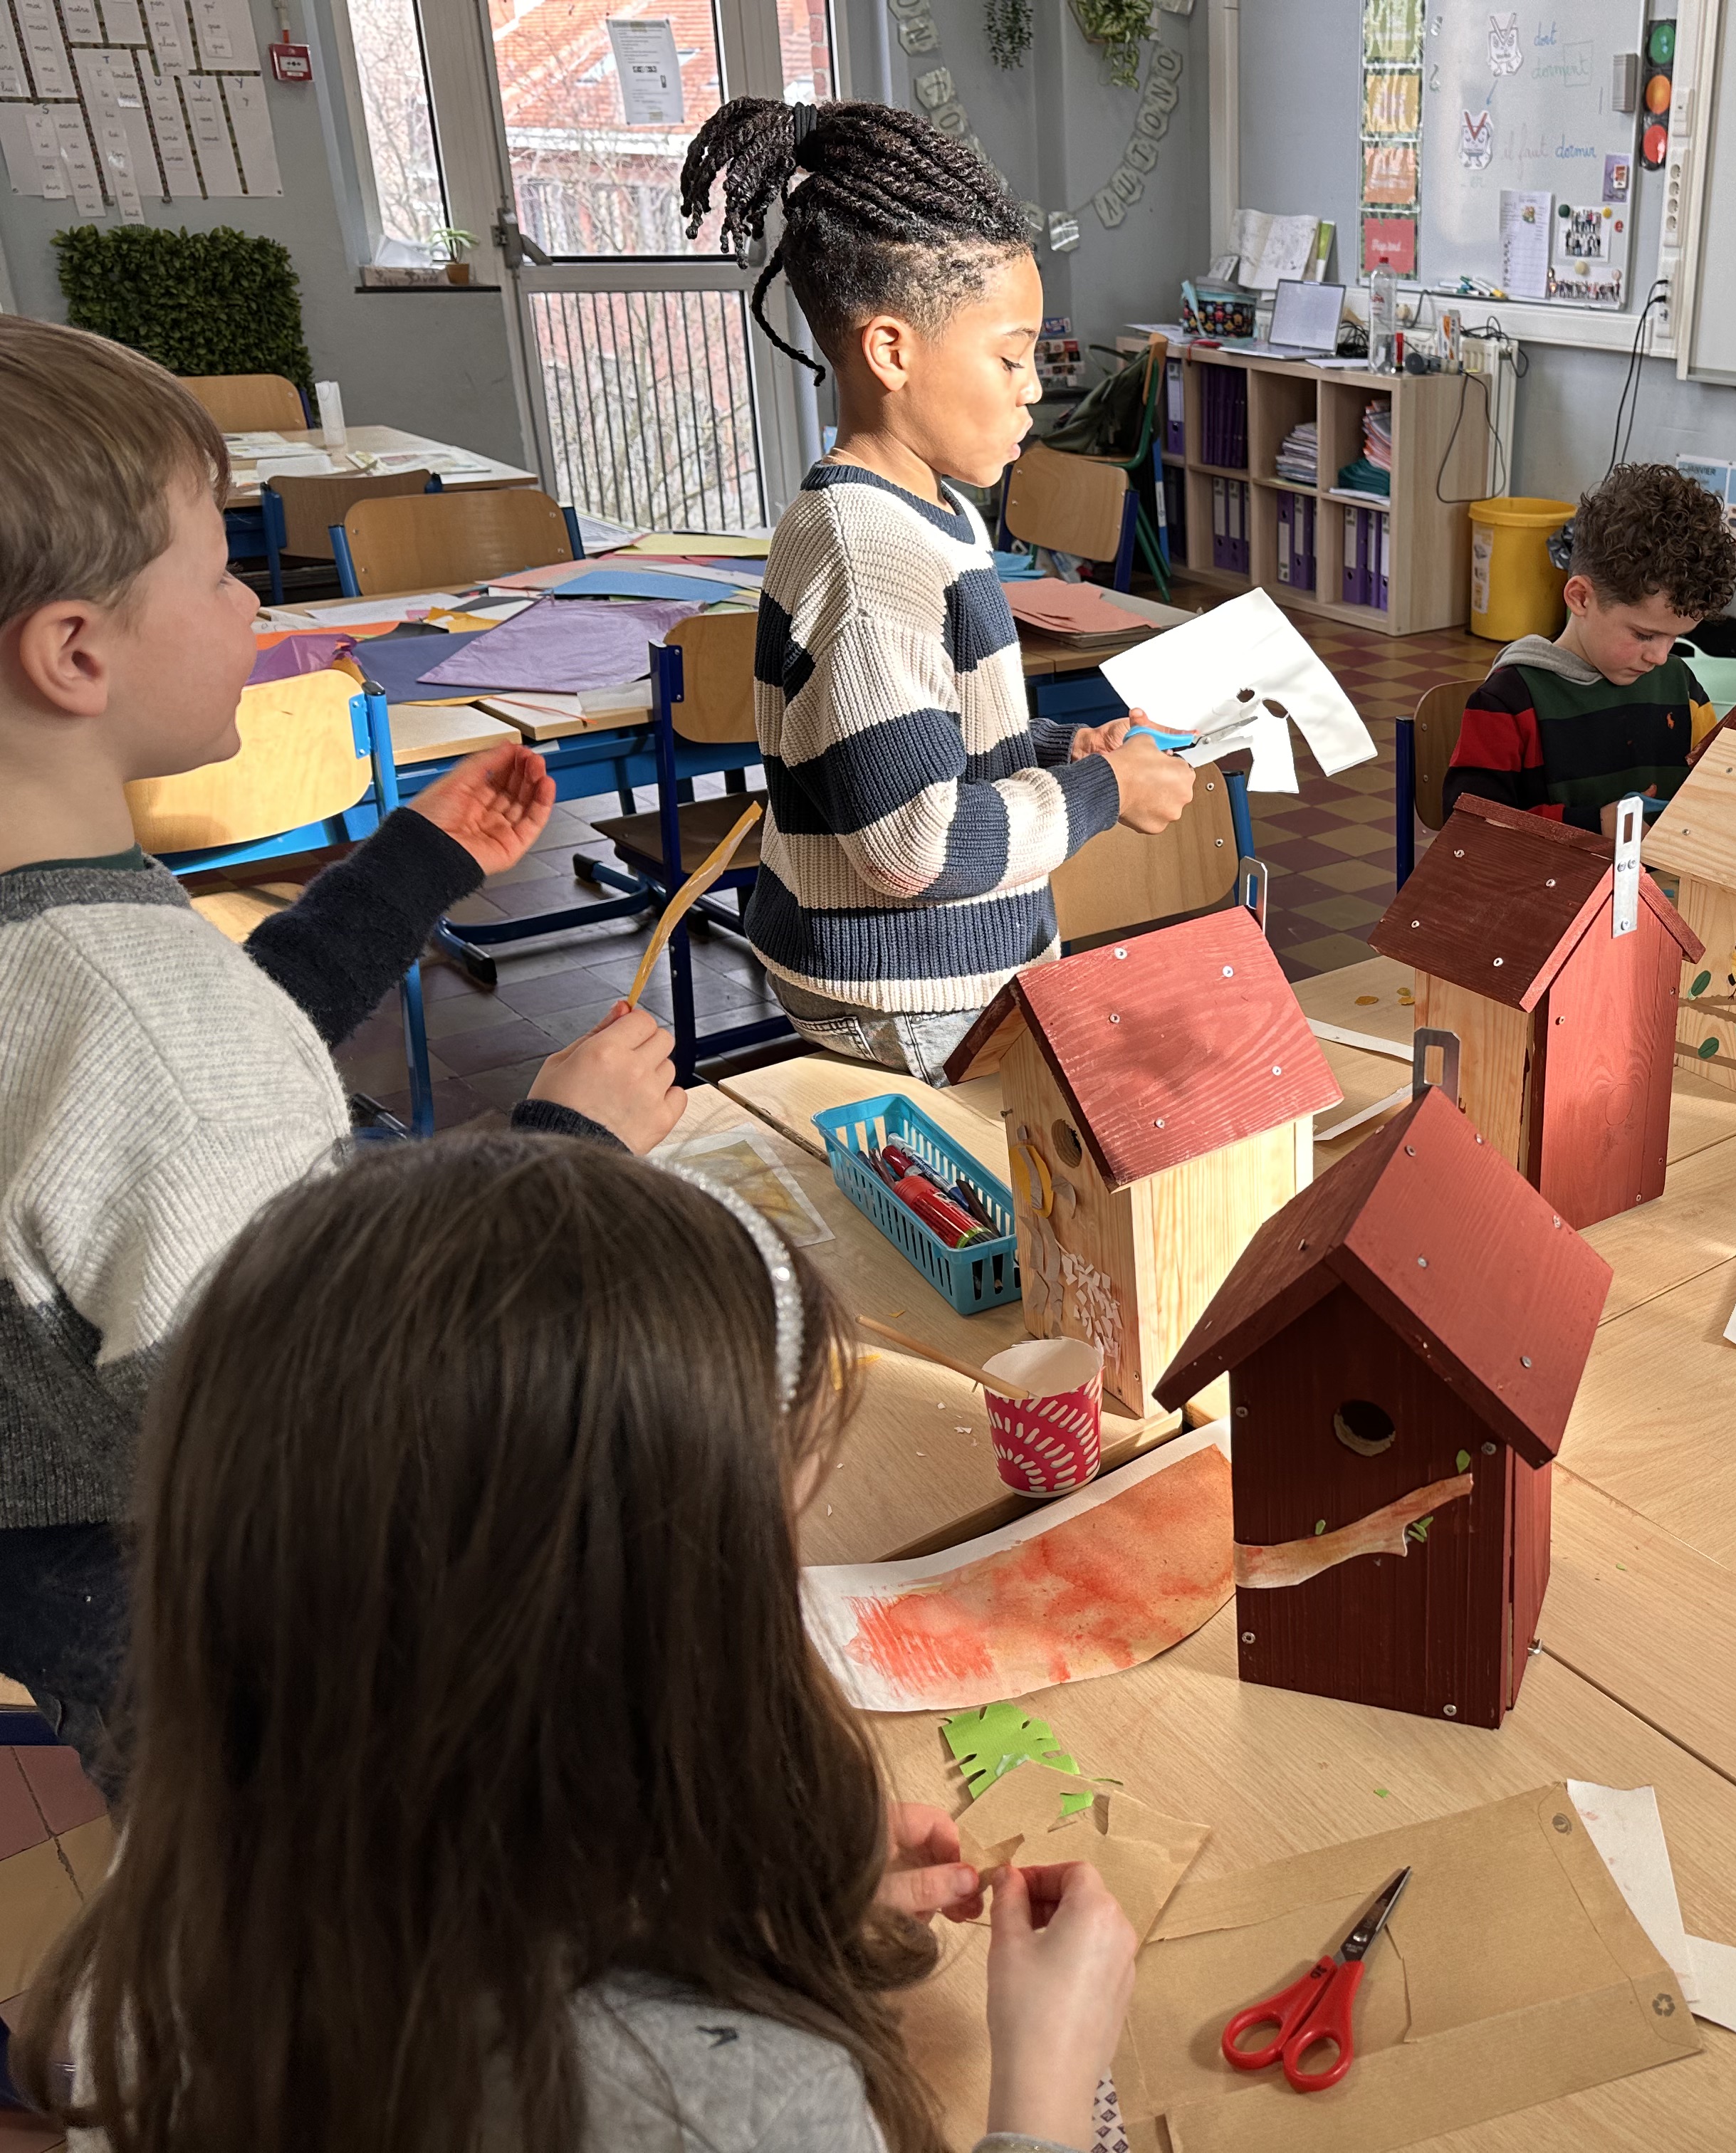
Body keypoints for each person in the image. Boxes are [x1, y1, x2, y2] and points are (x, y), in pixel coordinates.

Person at [14, 1136, 1141, 2152]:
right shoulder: (725, 2116)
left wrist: (720, 1911)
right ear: (623, 1641)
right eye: (770, 1553)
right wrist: (1053, 2082)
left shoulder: (177, 1923)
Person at [0, 317, 680, 1792]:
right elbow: (351, 1402)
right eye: (217, 564)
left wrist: (405, 869)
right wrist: (570, 1152)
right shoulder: (132, 1021)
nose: (255, 597)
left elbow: (208, 1047)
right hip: (269, 1650)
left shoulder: (61, 951)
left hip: (79, 1553)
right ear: (73, 652)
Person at [676, 99, 1196, 1084]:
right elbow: (916, 844)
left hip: (940, 983)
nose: (1034, 388)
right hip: (907, 1001)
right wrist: (1103, 789)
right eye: (1009, 357)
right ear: (890, 351)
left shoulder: (933, 509)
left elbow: (937, 737)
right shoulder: (867, 556)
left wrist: (1060, 748)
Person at [1443, 462, 1736, 829]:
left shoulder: (1682, 688)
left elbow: (1715, 795)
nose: (1660, 657)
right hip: (1543, 885)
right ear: (1581, 598)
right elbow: (1469, 825)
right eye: (1644, 635)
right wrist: (1594, 824)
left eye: (1675, 637)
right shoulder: (1509, 701)